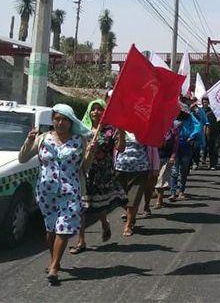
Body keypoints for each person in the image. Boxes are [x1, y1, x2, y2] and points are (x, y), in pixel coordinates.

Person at [18, 104, 92, 285]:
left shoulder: (79, 140)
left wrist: (91, 151)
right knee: (51, 230)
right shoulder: (43, 138)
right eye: (57, 119)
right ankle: (54, 260)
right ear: (52, 120)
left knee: (63, 228)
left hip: (70, 191)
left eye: (64, 119)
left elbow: (85, 168)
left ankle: (54, 267)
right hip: (46, 192)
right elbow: (23, 158)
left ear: (71, 121)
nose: (60, 123)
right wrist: (29, 141)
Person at [70, 99, 127, 255]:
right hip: (83, 172)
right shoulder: (81, 129)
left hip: (103, 173)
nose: (95, 111)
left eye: (99, 108)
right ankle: (81, 241)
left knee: (99, 205)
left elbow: (121, 148)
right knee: (82, 207)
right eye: (93, 109)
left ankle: (104, 222)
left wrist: (121, 132)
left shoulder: (110, 130)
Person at [114, 131, 152, 237]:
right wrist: (121, 134)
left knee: (133, 198)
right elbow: (119, 148)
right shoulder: (121, 131)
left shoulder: (145, 130)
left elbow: (153, 149)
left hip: (140, 169)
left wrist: (155, 168)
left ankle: (129, 224)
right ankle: (132, 214)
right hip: (121, 168)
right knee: (119, 197)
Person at [169, 104, 201, 201]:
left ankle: (181, 191)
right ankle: (173, 192)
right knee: (174, 171)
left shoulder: (190, 117)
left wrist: (192, 136)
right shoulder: (172, 118)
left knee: (184, 170)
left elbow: (197, 126)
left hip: (186, 146)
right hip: (175, 147)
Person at [202, 97, 220, 170]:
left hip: (218, 134)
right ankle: (211, 163)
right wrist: (205, 135)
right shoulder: (208, 114)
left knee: (215, 149)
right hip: (209, 135)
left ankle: (213, 164)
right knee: (210, 149)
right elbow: (206, 125)